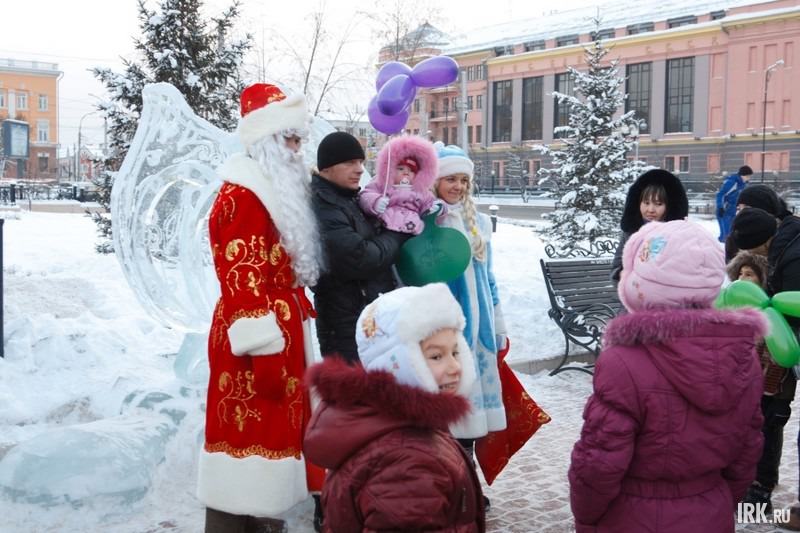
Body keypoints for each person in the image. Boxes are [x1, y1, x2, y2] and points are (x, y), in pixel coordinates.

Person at [569, 219, 765, 533]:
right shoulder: (743, 356)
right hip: (711, 513)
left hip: (632, 517)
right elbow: (747, 450)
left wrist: (587, 518)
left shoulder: (622, 362)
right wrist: (720, 502)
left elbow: (598, 464)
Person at [199, 83, 324, 532]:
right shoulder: (244, 196)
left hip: (279, 332)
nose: (296, 149)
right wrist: (264, 349)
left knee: (269, 438)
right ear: (266, 140)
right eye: (290, 139)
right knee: (245, 440)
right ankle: (232, 524)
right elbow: (241, 280)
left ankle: (258, 521)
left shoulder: (272, 189)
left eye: (298, 139)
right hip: (253, 341)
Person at [303, 283, 486, 532]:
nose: (455, 367)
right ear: (398, 364)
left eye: (455, 352)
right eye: (436, 356)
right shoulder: (407, 463)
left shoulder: (404, 428)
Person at [432, 142, 507, 505]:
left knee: (474, 414)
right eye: (450, 179)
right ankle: (451, 483)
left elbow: (489, 277)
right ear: (435, 181)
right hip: (444, 336)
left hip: (479, 336)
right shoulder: (426, 222)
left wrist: (499, 321)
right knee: (450, 410)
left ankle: (469, 482)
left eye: (463, 180)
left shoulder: (479, 224)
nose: (458, 186)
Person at [310, 131, 411, 364]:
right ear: (326, 167)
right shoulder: (322, 205)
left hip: (368, 318)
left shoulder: (350, 198)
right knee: (353, 397)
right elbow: (363, 258)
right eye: (350, 162)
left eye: (361, 163)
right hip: (346, 327)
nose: (359, 170)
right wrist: (397, 232)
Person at [731, 207, 800, 527]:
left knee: (768, 428)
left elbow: (786, 341)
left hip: (775, 384)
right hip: (747, 389)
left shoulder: (789, 258)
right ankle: (750, 491)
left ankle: (760, 493)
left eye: (751, 274)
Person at [610, 169, 688, 287]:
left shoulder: (679, 234)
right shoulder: (631, 233)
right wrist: (623, 273)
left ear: (668, 207)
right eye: (646, 203)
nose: (651, 209)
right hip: (634, 300)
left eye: (658, 204)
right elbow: (615, 271)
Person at [358, 134, 444, 235]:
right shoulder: (382, 185)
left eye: (411, 170)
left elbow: (430, 204)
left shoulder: (422, 192)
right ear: (390, 170)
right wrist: (376, 202)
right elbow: (365, 195)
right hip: (384, 227)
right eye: (400, 169)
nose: (406, 173)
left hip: (412, 231)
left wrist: (439, 209)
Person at [725, 183, 791, 262]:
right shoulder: (737, 235)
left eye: (747, 208)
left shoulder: (786, 242)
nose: (741, 213)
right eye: (738, 208)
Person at [716, 165, 753, 243]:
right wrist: (720, 207)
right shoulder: (732, 182)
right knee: (726, 236)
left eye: (750, 176)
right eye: (747, 176)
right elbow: (721, 194)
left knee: (733, 234)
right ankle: (722, 251)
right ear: (742, 175)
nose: (749, 178)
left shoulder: (744, 184)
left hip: (734, 210)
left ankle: (731, 251)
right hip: (725, 211)